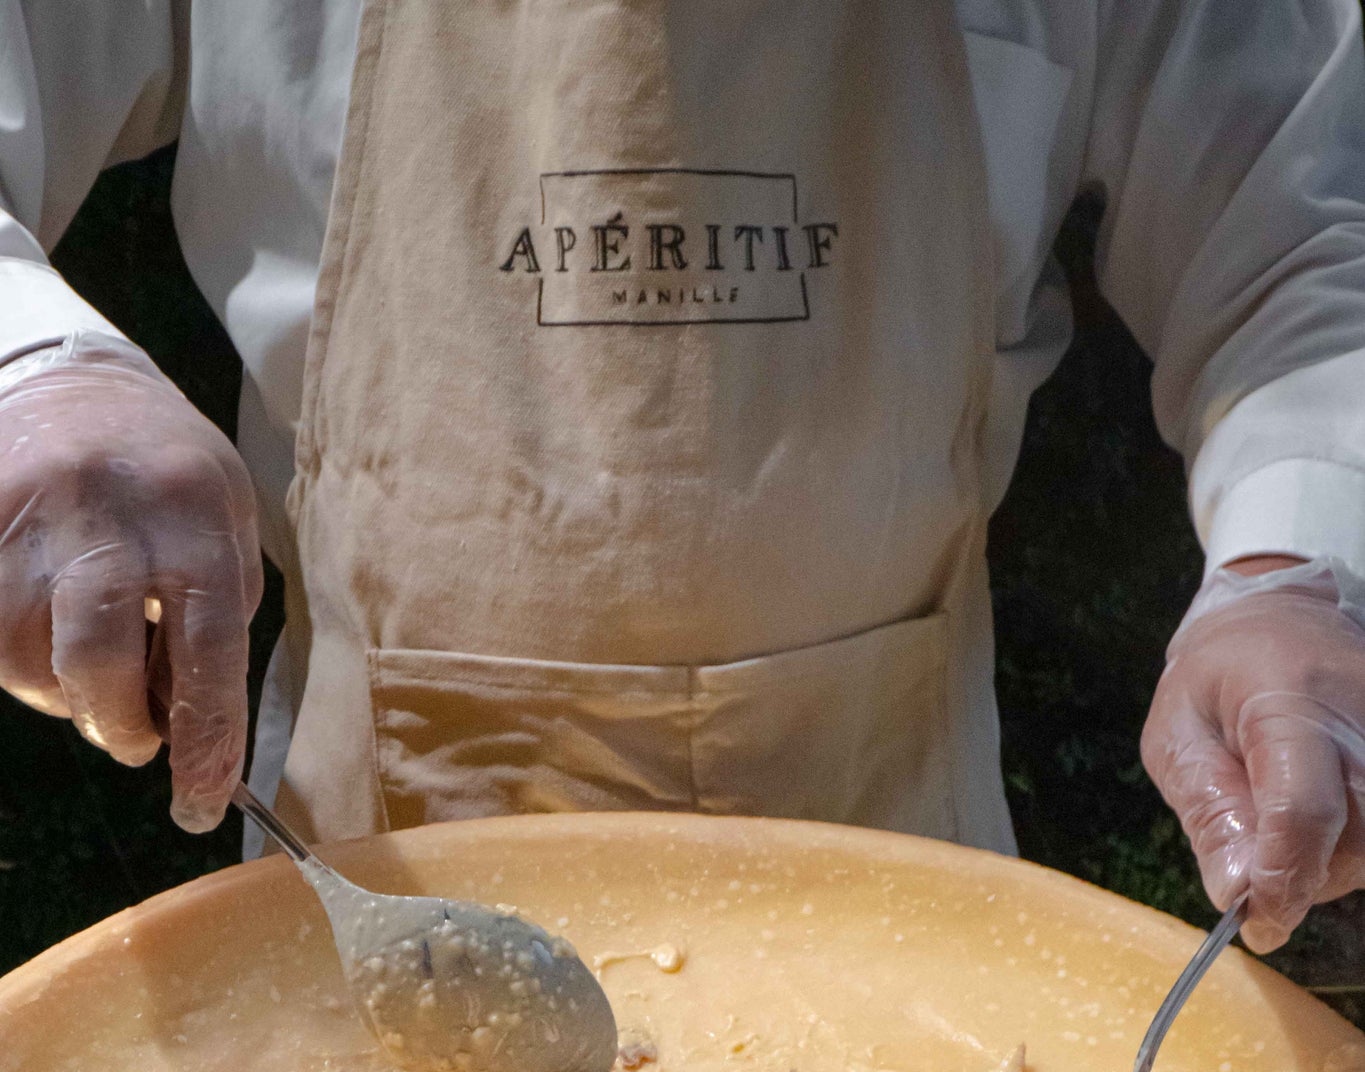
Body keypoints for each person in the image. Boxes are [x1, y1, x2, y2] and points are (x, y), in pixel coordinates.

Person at [0, 3, 1363, 957]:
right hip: (375, 872)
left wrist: (1298, 563)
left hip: (904, 864)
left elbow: (1315, 249)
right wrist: (34, 369)